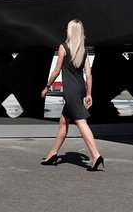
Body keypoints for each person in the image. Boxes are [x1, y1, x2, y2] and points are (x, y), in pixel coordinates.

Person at [40, 19, 104, 171]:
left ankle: (95, 155)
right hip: (79, 89)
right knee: (64, 121)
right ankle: (53, 153)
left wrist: (47, 86)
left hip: (70, 91)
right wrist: (89, 94)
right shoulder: (83, 51)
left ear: (70, 31)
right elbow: (88, 75)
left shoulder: (63, 47)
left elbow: (56, 70)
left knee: (81, 121)